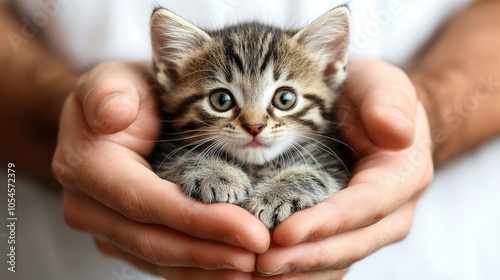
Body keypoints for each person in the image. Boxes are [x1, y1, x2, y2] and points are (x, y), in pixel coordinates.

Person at [1, 0, 499, 279]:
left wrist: (428, 111)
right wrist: (61, 117)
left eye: (283, 100)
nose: (256, 123)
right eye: (223, 101)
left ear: (330, 69)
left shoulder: (325, 144)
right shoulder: (186, 144)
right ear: (170, 71)